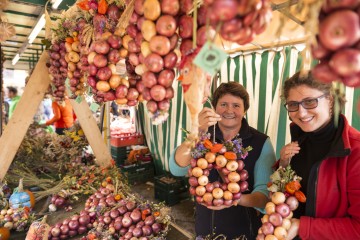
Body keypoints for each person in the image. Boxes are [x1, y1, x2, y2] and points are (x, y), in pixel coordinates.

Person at [169, 82, 276, 239]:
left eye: (236, 105)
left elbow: (264, 196)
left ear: (245, 110)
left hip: (244, 231)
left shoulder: (260, 142)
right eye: (223, 104)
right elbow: (177, 168)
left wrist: (234, 198)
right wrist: (197, 132)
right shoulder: (203, 135)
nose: (229, 110)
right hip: (205, 228)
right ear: (214, 108)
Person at [279, 71, 360, 239]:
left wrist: (302, 227)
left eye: (310, 101)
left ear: (330, 100)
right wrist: (282, 165)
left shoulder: (356, 151)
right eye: (293, 104)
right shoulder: (298, 142)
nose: (301, 113)